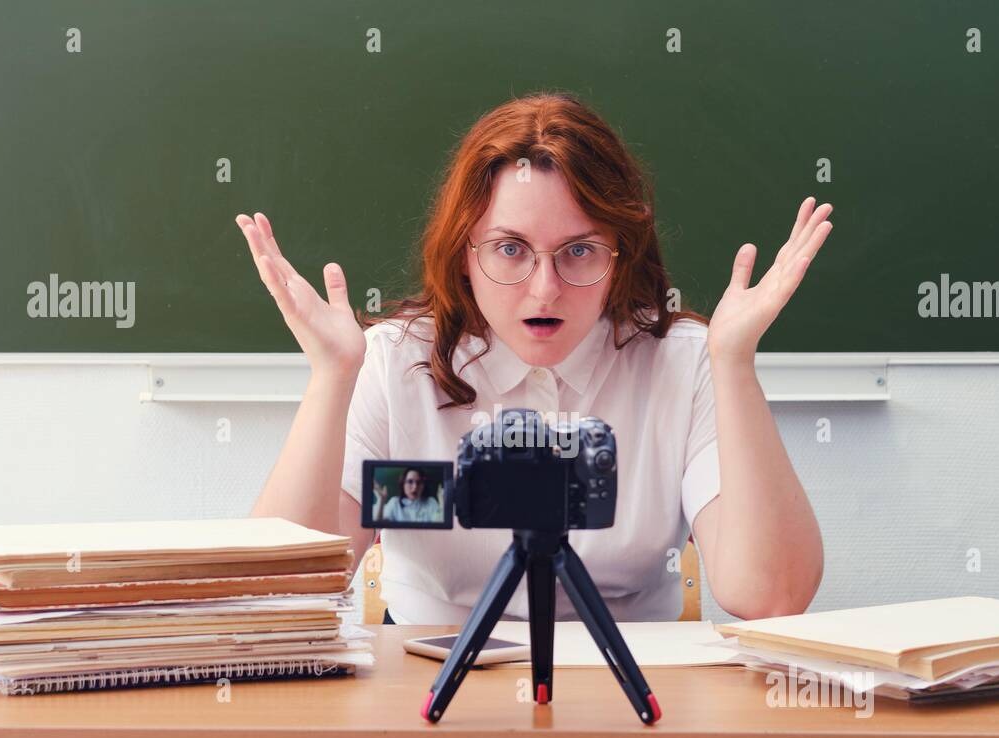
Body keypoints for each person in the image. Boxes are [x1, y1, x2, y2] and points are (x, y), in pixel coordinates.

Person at [240, 92, 828, 625]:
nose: (544, 289)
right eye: (510, 249)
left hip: (631, 682)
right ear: (464, 253)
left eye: (578, 250)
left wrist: (734, 364)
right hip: (428, 682)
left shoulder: (686, 364)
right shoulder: (392, 362)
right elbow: (280, 587)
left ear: (621, 253)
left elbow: (771, 597)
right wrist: (331, 378)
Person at [375, 469, 443, 523]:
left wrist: (442, 503)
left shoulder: (431, 502)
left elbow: (440, 526)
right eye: (410, 482)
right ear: (403, 484)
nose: (415, 487)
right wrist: (381, 500)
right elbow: (379, 524)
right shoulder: (394, 503)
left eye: (419, 482)